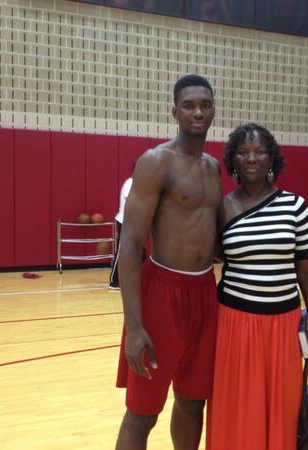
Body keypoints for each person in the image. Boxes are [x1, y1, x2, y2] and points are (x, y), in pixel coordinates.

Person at [115, 75, 221, 450]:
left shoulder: (213, 167)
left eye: (205, 105)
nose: (198, 112)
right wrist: (134, 326)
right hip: (162, 293)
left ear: (214, 110)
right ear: (174, 110)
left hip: (205, 294)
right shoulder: (156, 162)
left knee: (193, 404)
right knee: (143, 412)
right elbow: (129, 246)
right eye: (189, 105)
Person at [207, 123, 308, 450]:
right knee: (237, 407)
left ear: (272, 157)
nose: (252, 158)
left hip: (284, 328)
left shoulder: (295, 206)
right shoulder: (223, 207)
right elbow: (213, 254)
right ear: (233, 160)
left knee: (281, 409)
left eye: (259, 151)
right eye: (243, 152)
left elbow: (307, 271)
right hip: (233, 323)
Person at [109, 168, 133, 290]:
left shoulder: (138, 184)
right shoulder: (130, 182)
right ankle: (114, 281)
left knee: (139, 253)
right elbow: (131, 203)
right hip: (125, 222)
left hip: (133, 223)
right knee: (122, 252)